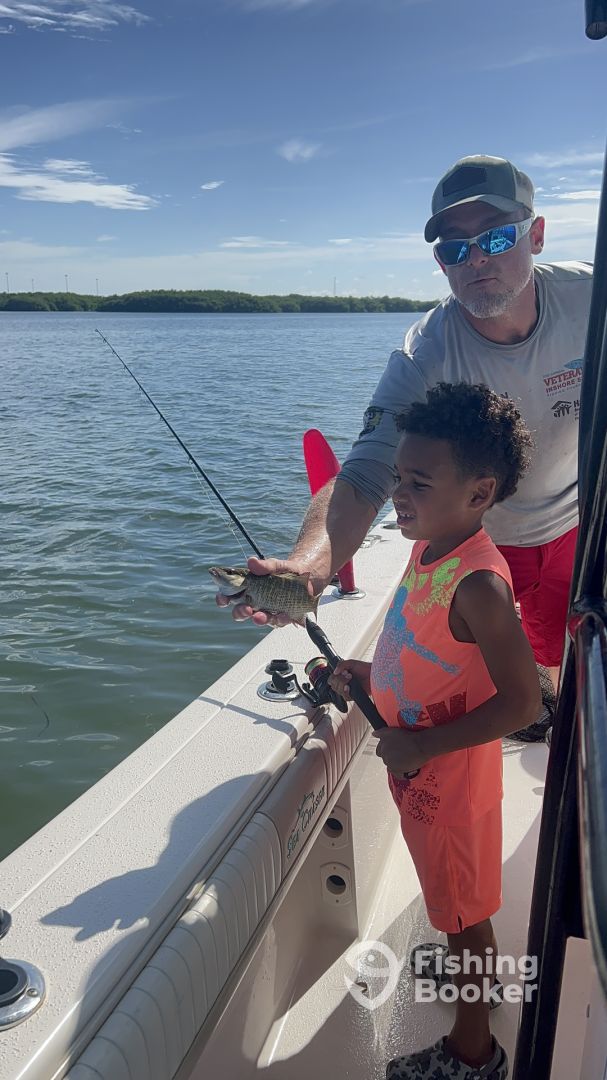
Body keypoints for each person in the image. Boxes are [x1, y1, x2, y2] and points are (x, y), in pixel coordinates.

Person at [217, 155, 593, 697]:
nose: (475, 259)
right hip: (474, 543)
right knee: (457, 683)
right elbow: (367, 471)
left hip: (576, 526)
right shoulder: (426, 354)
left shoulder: (592, 296)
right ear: (441, 262)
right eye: (455, 248)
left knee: (565, 662)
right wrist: (309, 568)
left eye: (495, 237)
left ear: (535, 235)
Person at [328, 382, 541, 1080]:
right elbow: (424, 649)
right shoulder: (427, 550)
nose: (398, 493)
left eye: (418, 482)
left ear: (479, 494)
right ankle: (466, 972)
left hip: (447, 790)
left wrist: (420, 744)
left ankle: (473, 1054)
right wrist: (368, 674)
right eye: (397, 476)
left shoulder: (478, 584)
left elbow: (522, 703)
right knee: (453, 909)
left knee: (463, 921)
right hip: (421, 779)